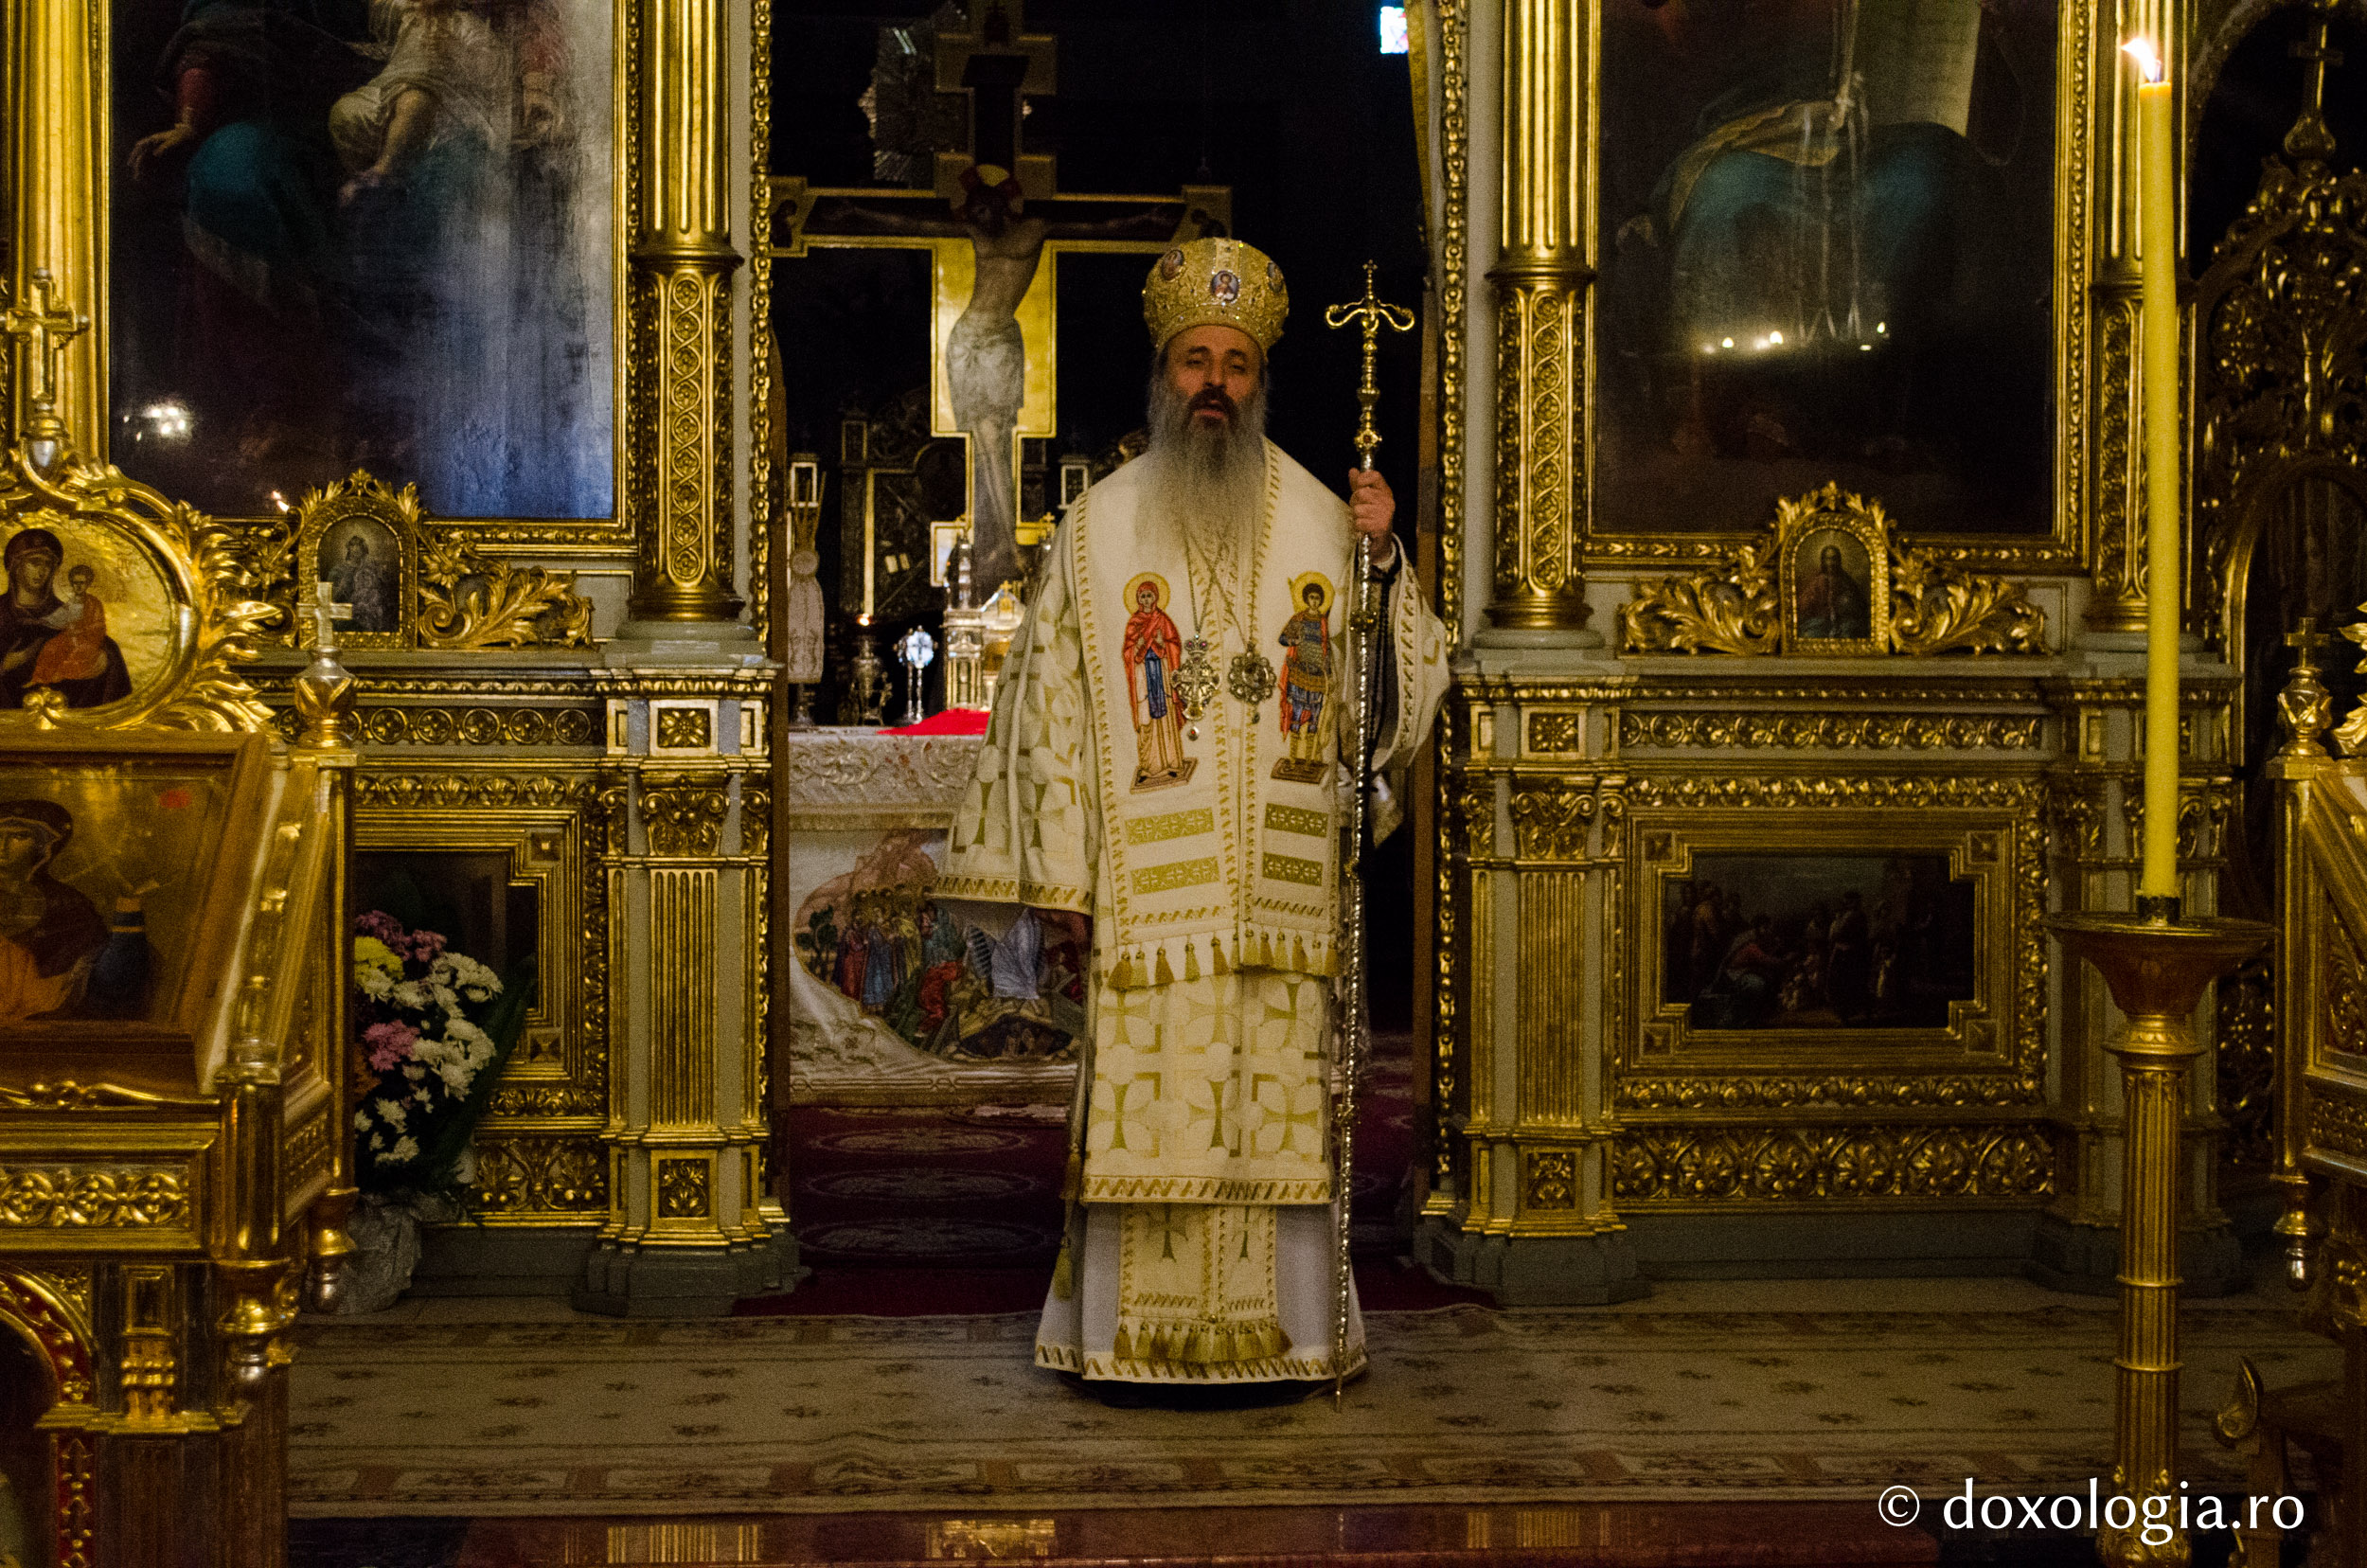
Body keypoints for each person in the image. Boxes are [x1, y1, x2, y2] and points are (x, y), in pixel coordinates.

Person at [939, 237, 1449, 1396]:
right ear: (1161, 375)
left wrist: (1383, 568)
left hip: (1279, 889)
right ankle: (1127, 1341)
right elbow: (1049, 712)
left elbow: (1394, 706)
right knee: (1152, 1114)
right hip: (1146, 894)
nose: (1212, 382)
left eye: (1232, 362)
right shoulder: (1095, 530)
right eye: (1191, 361)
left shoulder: (1330, 521)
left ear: (1258, 377)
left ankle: (1296, 1335)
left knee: (1271, 1113)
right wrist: (1062, 888)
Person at [0, 531, 133, 710]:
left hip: (79, 730)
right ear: (15, 565)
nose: (42, 571)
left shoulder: (71, 614)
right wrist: (7, 663)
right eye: (34, 562)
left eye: (48, 565)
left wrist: (101, 659)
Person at [28, 565, 111, 688]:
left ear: (88, 584)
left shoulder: (94, 603)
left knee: (79, 652)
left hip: (88, 639)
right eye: (75, 583)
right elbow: (58, 617)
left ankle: (59, 676)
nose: (78, 586)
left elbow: (99, 625)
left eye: (82, 583)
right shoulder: (71, 602)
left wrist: (81, 631)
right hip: (69, 637)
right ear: (71, 584)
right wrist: (40, 621)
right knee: (51, 647)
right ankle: (39, 679)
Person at [1798, 543, 1871, 639]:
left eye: (1834, 559)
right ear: (1823, 561)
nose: (1831, 563)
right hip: (1821, 623)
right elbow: (1804, 607)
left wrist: (1847, 603)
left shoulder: (1847, 581)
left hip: (1844, 623)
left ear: (1839, 560)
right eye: (1828, 559)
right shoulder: (1816, 582)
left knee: (1849, 634)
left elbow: (1861, 607)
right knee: (1809, 635)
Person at [329, 533, 399, 632]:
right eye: (353, 545)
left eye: (359, 545)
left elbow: (384, 591)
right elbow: (330, 597)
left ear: (364, 549)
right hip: (346, 613)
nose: (356, 549)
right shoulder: (338, 570)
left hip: (370, 612)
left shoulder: (371, 568)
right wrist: (341, 587)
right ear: (349, 548)